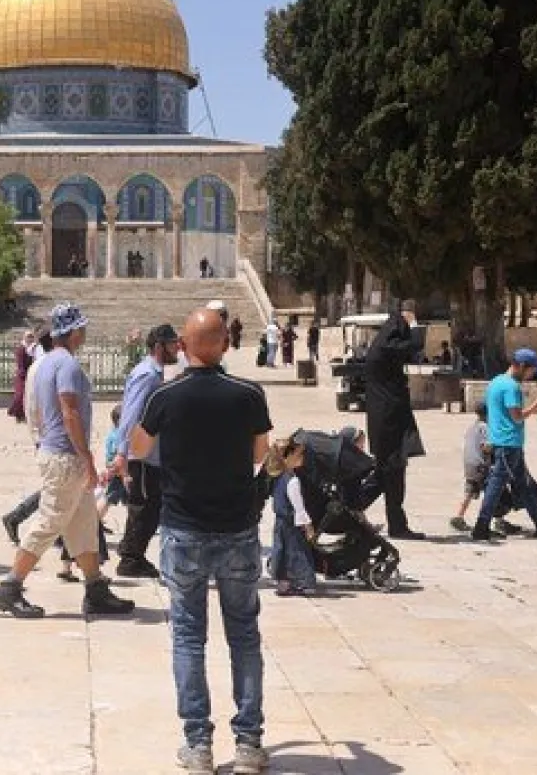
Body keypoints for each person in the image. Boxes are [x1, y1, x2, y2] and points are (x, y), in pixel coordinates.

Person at [130, 307, 271, 775]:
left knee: (189, 637)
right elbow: (260, 455)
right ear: (226, 345)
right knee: (244, 635)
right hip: (237, 528)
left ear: (183, 348)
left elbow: (138, 448)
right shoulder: (249, 395)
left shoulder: (166, 395)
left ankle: (198, 745)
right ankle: (249, 745)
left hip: (184, 529)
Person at [0, 303, 134, 619]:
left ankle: (95, 588)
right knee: (50, 521)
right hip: (67, 457)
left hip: (57, 452)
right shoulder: (66, 365)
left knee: (83, 524)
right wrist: (87, 458)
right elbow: (70, 412)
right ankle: (9, 588)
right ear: (75, 332)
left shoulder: (45, 363)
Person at [112, 323, 181, 578]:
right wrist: (123, 452)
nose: (177, 347)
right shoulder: (147, 375)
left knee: (150, 505)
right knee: (143, 506)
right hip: (140, 454)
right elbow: (131, 413)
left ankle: (132, 553)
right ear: (159, 346)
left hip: (150, 453)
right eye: (173, 343)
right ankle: (130, 558)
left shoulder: (154, 373)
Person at [473, 349, 537, 542]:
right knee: (496, 485)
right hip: (508, 443)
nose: (531, 375)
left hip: (504, 441)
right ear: (521, 366)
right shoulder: (511, 387)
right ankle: (481, 525)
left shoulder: (495, 381)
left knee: (523, 486)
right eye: (530, 370)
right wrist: (535, 406)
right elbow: (517, 416)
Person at [364, 303, 425, 539]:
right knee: (390, 475)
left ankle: (348, 510)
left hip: (386, 422)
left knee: (384, 477)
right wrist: (415, 327)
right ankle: (395, 525)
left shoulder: (381, 346)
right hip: (390, 423)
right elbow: (411, 347)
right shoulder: (387, 348)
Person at [0, 328, 54, 544]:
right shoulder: (45, 366)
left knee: (62, 490)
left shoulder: (45, 364)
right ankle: (18, 519)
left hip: (48, 436)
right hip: (52, 437)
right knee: (59, 489)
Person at [265, 438, 316, 597]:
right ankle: (303, 583)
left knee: (281, 552)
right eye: (299, 455)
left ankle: (283, 584)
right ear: (288, 457)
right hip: (291, 525)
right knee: (297, 552)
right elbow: (298, 507)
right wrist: (308, 526)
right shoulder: (293, 481)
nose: (302, 458)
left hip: (280, 524)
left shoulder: (277, 478)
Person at [451, 403, 493, 533]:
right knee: (491, 492)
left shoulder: (472, 427)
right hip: (480, 464)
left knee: (470, 491)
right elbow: (486, 446)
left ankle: (459, 516)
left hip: (469, 463)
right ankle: (496, 519)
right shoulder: (485, 428)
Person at [8, 329, 33, 423]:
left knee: (28, 396)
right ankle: (17, 414)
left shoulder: (32, 349)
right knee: (19, 395)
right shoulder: (21, 349)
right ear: (24, 338)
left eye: (31, 336)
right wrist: (24, 374)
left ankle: (23, 415)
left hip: (30, 374)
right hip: (22, 375)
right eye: (28, 336)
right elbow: (20, 363)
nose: (30, 338)